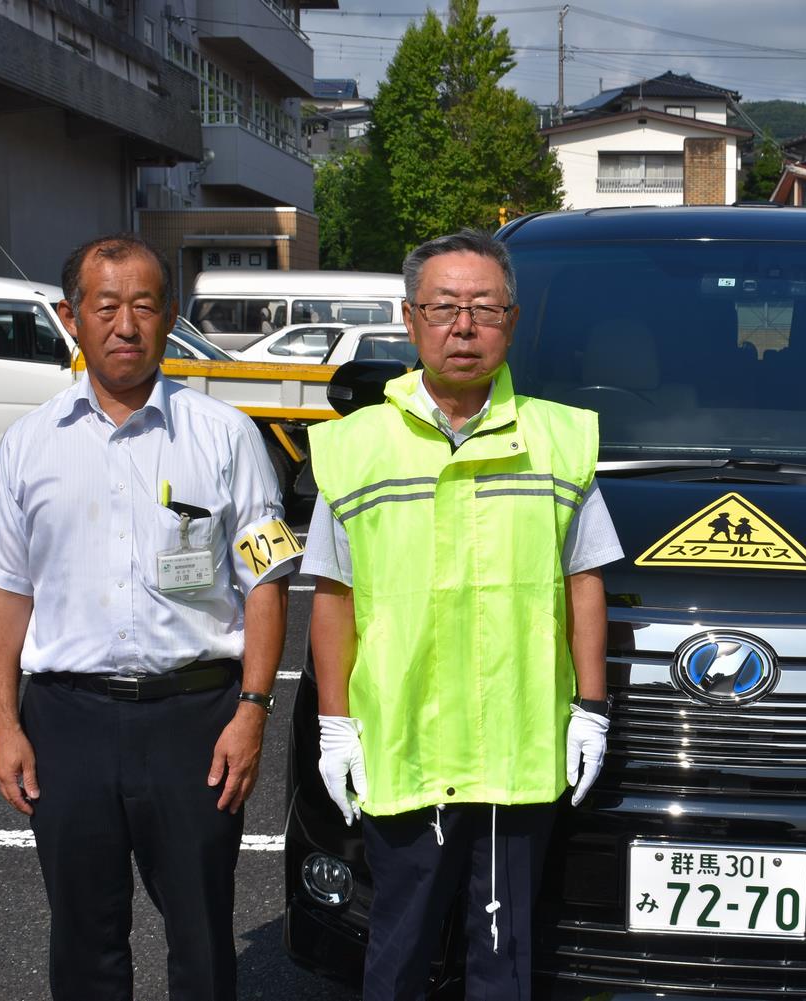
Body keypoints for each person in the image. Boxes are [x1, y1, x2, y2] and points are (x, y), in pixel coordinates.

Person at [0, 234, 301, 1001]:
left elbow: (267, 582)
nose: (126, 324)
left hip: (197, 719)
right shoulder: (28, 444)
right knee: (83, 933)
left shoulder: (226, 436)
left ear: (169, 316)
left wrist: (252, 712)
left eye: (144, 305)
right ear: (69, 316)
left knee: (204, 931)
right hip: (66, 720)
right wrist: (5, 723)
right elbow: (5, 589)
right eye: (105, 306)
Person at [303, 228, 623, 1001]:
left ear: (511, 321)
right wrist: (336, 724)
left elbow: (584, 581)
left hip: (518, 750)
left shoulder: (557, 438)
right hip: (402, 742)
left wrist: (590, 709)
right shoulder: (357, 447)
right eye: (444, 307)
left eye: (483, 307)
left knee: (504, 956)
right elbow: (333, 596)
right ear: (410, 320)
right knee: (397, 947)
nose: (464, 325)